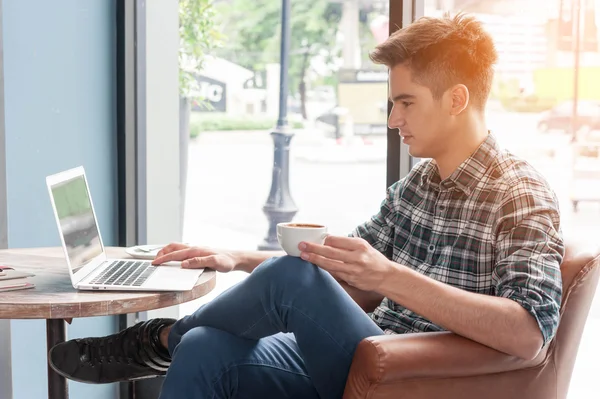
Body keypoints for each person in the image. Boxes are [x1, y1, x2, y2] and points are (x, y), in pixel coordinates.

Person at [48, 13, 564, 399]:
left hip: (413, 373)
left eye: (405, 102)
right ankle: (171, 341)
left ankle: (154, 340)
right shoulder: (417, 185)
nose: (392, 119)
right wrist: (233, 258)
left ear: (456, 99)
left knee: (293, 279)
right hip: (366, 349)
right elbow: (342, 270)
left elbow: (528, 334)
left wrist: (388, 277)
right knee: (203, 345)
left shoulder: (518, 192)